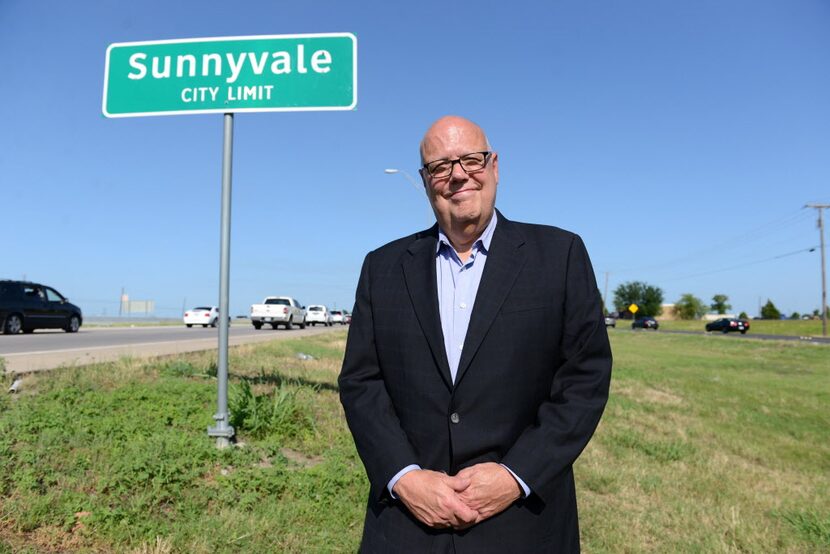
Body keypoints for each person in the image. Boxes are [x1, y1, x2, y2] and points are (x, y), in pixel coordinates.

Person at [339, 115, 612, 553]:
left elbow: (585, 379)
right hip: (409, 523)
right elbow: (361, 383)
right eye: (441, 166)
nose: (458, 174)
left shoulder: (559, 256)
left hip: (522, 522)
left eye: (471, 159)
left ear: (495, 166)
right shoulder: (382, 268)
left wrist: (515, 475)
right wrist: (403, 477)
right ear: (426, 180)